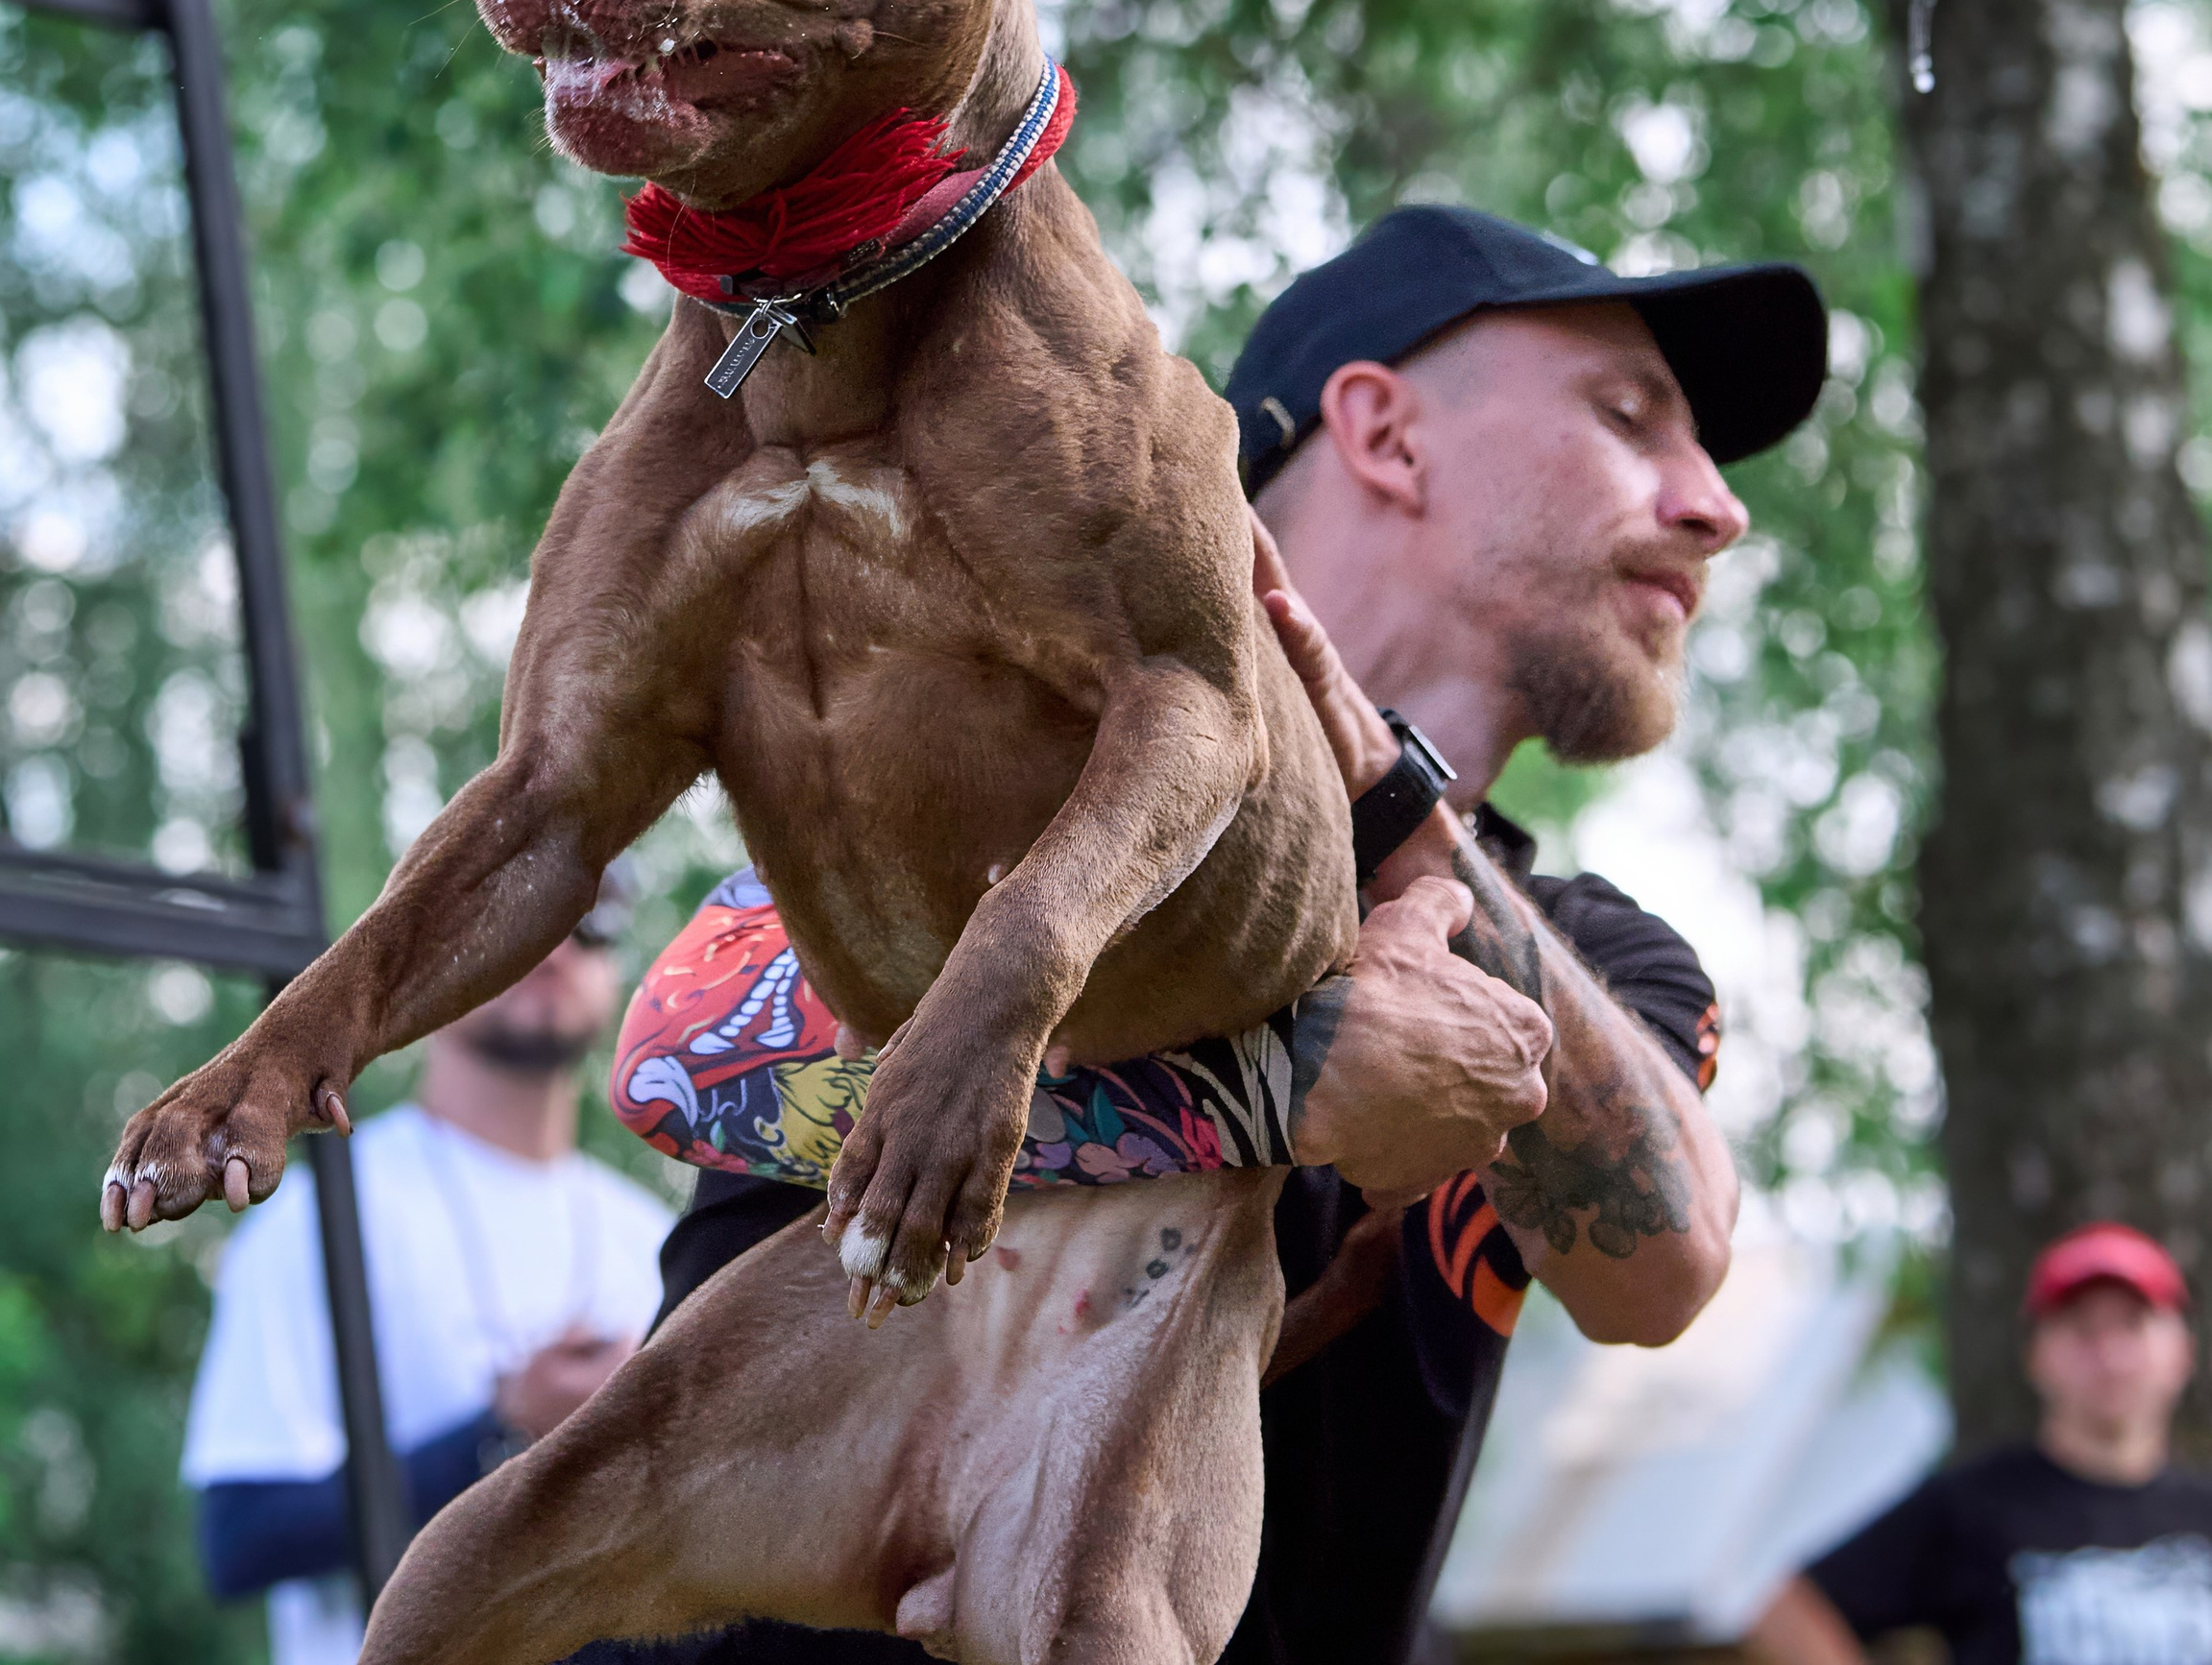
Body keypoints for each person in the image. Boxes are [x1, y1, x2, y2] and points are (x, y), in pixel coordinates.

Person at [592, 202, 1829, 1665]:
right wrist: (1283, 1078)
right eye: (1631, 417)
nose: (1717, 504)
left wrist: (1387, 811)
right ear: (1387, 434)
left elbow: (1664, 1262)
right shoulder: (1027, 748)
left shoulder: (1595, 962)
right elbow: (693, 1057)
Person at [181, 916, 670, 1665]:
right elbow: (242, 1536)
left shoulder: (658, 1236)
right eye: (518, 906)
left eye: (595, 917)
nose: (556, 938)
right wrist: (503, 1431)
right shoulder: (318, 1217)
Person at [1751, 1226, 2212, 1665]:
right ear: (2036, 1357)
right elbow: (1788, 1610)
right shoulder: (1973, 1503)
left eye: (2132, 1325)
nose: (2109, 1355)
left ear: (2182, 1352)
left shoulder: (2202, 1511)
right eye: (2082, 1329)